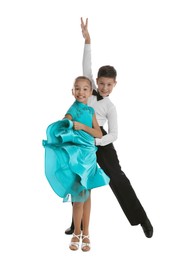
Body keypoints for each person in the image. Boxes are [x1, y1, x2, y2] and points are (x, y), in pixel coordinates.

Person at [65, 18, 153, 238]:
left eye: (109, 84)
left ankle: (141, 218)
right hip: (81, 136)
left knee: (117, 177)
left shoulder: (110, 107)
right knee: (78, 178)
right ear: (96, 81)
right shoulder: (90, 90)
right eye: (101, 83)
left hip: (100, 139)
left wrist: (97, 141)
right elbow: (87, 64)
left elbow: (114, 134)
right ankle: (77, 226)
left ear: (115, 84)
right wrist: (87, 40)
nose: (104, 88)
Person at [43, 76, 110, 251]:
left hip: (89, 156)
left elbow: (99, 133)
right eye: (77, 88)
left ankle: (86, 232)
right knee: (79, 198)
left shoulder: (91, 112)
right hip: (78, 158)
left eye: (85, 89)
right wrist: (67, 123)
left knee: (87, 197)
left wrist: (83, 127)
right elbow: (66, 121)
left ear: (90, 92)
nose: (81, 92)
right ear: (72, 91)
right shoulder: (73, 109)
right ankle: (77, 233)